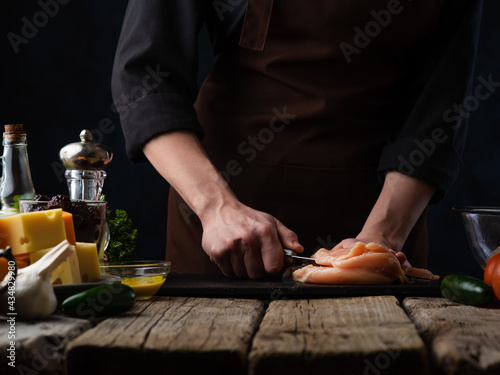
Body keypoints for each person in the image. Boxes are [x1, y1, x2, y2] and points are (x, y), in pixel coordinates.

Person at [111, 0, 483, 278]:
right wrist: (216, 208)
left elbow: (440, 108)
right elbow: (146, 79)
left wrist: (379, 240)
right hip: (223, 208)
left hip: (382, 210)